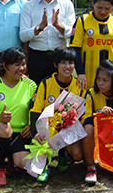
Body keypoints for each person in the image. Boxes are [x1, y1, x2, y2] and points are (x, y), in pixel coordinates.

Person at [0, 48, 36, 186]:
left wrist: (31, 125)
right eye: (17, 65)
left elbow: (38, 111)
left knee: (26, 165)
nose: (21, 68)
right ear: (5, 65)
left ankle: (12, 159)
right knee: (4, 127)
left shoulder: (30, 85)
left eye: (23, 64)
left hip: (20, 134)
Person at [30, 46, 85, 182]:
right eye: (63, 63)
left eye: (71, 63)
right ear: (55, 64)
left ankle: (63, 154)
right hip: (47, 129)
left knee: (78, 155)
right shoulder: (45, 83)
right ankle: (44, 165)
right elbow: (35, 110)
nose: (67, 67)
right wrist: (34, 133)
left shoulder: (78, 85)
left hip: (68, 129)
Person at [19, 0, 76, 85]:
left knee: (61, 92)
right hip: (37, 57)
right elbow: (23, 36)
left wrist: (58, 25)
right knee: (37, 90)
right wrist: (39, 28)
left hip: (61, 57)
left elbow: (73, 33)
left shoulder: (66, 4)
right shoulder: (28, 6)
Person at [70, 0, 113, 91]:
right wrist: (80, 73)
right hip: (87, 77)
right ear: (93, 3)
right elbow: (75, 49)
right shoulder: (82, 20)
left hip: (111, 77)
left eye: (107, 8)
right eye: (99, 7)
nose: (103, 11)